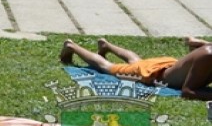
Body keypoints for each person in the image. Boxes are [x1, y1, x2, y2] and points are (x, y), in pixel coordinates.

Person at [59, 37, 212, 99]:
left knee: (137, 61)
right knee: (107, 66)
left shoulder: (208, 51)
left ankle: (106, 45)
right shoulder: (207, 55)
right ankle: (71, 46)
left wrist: (195, 42)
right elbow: (187, 91)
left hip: (166, 66)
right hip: (154, 75)